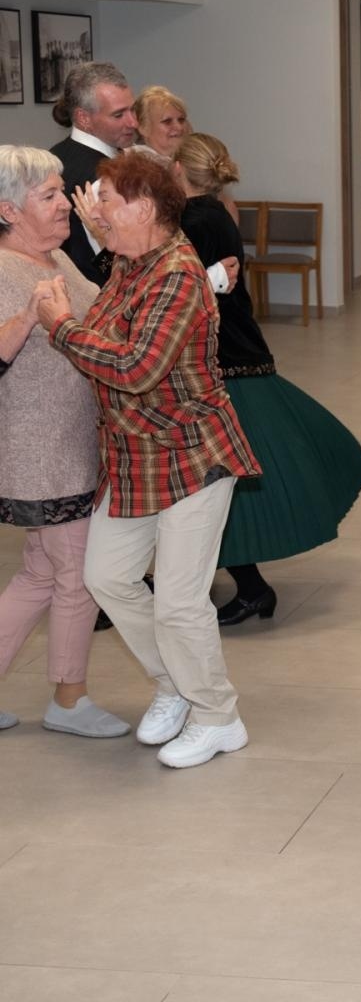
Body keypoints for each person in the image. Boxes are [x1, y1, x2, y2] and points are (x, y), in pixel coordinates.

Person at [35, 150, 260, 769]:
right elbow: (115, 333)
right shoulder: (131, 262)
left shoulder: (178, 275)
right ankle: (176, 684)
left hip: (192, 453)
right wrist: (99, 241)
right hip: (135, 455)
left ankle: (219, 717)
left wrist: (61, 327)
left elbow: (136, 369)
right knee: (107, 576)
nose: (97, 210)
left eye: (107, 199)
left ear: (143, 207)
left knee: (180, 602)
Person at [170, 133, 361, 623]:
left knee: (223, 479)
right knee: (229, 476)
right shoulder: (217, 212)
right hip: (238, 351)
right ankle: (241, 586)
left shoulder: (192, 220)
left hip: (223, 359)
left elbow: (176, 289)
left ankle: (249, 587)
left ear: (178, 169)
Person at [0, 145, 129, 738]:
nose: (63, 205)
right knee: (77, 574)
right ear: (8, 209)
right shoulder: (7, 270)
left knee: (40, 575)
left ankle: (67, 697)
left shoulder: (52, 259)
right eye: (49, 195)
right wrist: (29, 316)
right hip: (42, 452)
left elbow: (105, 315)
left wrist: (111, 241)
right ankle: (69, 700)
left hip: (72, 443)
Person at [48, 61, 138, 286]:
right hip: (103, 295)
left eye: (133, 110)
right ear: (84, 118)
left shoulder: (53, 156)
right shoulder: (105, 178)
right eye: (118, 115)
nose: (133, 122)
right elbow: (117, 265)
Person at [133, 85, 192, 159]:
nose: (179, 127)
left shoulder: (193, 159)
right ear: (143, 128)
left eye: (181, 120)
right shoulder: (130, 163)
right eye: (167, 121)